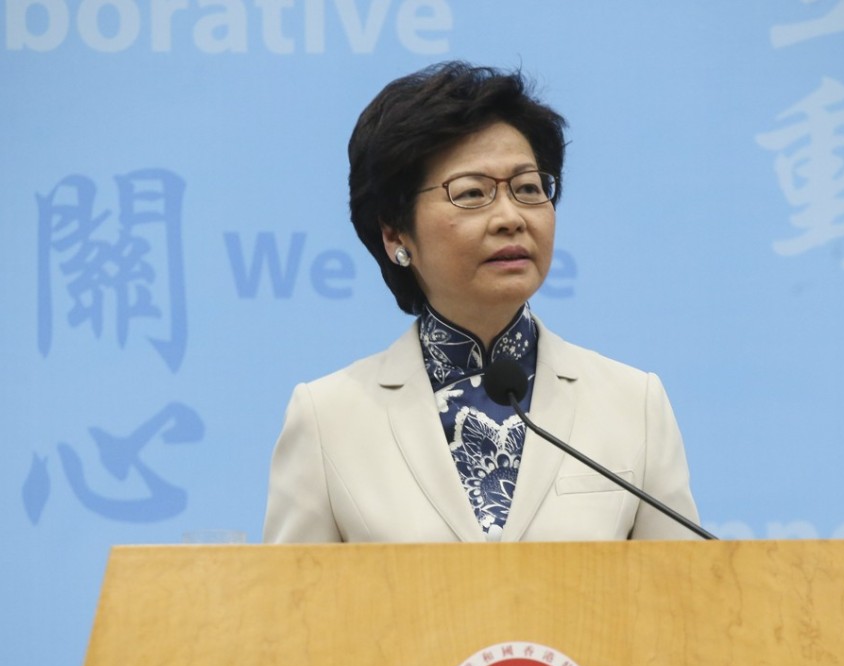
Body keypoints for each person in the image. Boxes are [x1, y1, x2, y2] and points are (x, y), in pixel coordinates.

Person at [263, 61, 701, 543]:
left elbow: (681, 602)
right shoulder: (329, 418)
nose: (511, 217)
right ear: (395, 234)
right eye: (472, 193)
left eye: (529, 188)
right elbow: (294, 612)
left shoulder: (632, 403)